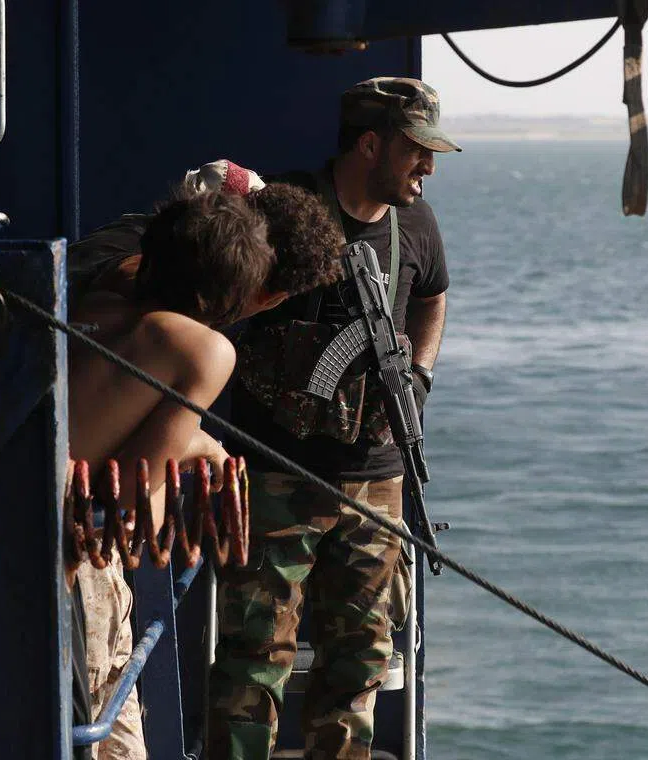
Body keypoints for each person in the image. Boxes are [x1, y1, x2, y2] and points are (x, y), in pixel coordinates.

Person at [209, 77, 460, 760]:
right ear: (371, 143)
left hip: (376, 480)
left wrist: (421, 373)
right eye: (417, 151)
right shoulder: (287, 210)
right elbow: (216, 299)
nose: (428, 167)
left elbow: (433, 297)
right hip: (278, 472)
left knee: (361, 662)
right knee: (254, 656)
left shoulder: (419, 225)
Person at [68, 165, 344, 760]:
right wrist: (203, 449)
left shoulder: (101, 298)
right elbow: (135, 508)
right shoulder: (201, 348)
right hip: (74, 569)